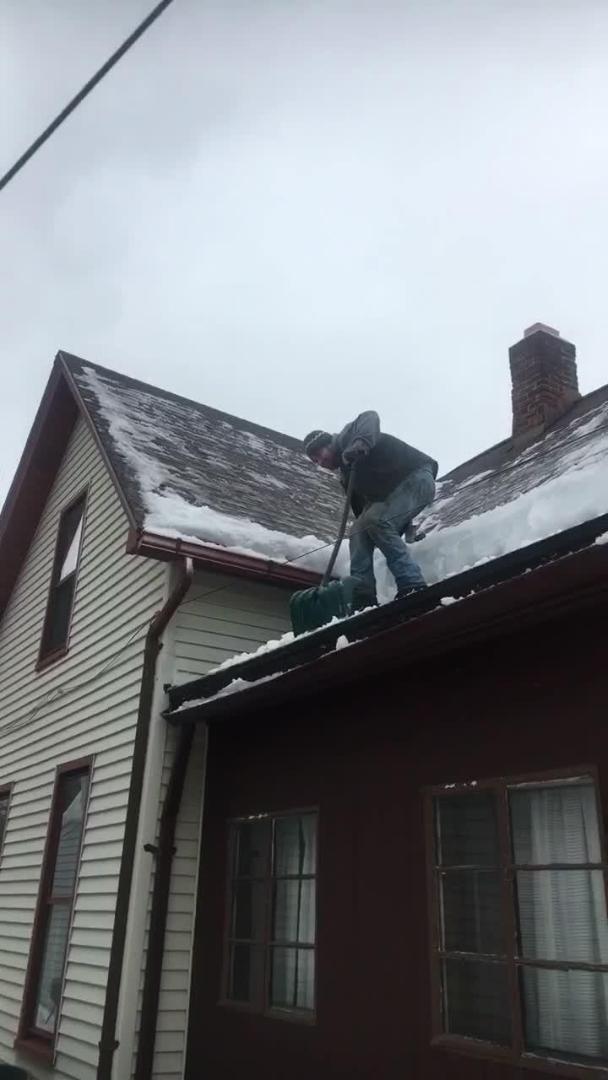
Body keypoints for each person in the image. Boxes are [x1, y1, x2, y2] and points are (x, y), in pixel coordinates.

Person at [304, 411, 437, 608]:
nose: (320, 463)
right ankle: (363, 596)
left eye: (319, 455)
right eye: (315, 461)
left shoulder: (347, 439)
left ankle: (412, 583)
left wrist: (360, 444)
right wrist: (401, 526)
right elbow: (365, 514)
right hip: (394, 493)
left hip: (418, 477)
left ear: (328, 443)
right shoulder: (348, 476)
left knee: (375, 520)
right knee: (358, 530)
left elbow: (370, 416)